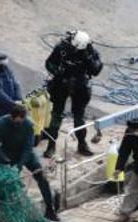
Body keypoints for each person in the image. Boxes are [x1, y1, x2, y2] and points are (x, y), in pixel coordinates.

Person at [0, 104, 58, 222]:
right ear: (11, 117)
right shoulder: (0, 124)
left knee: (42, 177)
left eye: (20, 122)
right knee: (2, 185)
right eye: (15, 122)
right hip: (6, 153)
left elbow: (28, 148)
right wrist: (3, 162)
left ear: (24, 118)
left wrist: (19, 166)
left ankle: (50, 210)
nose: (17, 124)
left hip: (25, 154)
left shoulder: (28, 125)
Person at [43, 30, 103, 158]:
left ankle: (82, 144)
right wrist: (57, 72)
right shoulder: (62, 48)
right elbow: (49, 63)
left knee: (79, 117)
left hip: (80, 85)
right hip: (61, 82)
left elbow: (96, 70)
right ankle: (51, 145)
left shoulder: (90, 52)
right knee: (56, 115)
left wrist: (88, 59)